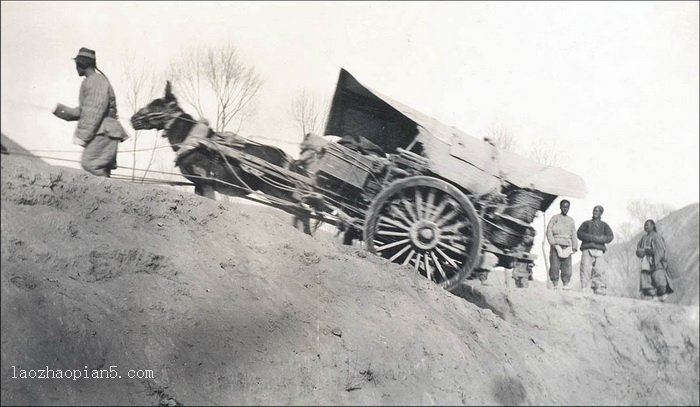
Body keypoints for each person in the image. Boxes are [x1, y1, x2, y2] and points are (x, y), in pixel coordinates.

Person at [53, 47, 128, 177]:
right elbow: (84, 111)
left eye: (77, 64)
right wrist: (60, 110)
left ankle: (104, 195)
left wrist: (83, 137)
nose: (76, 67)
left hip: (105, 132)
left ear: (83, 64)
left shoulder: (95, 81)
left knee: (90, 163)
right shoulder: (95, 81)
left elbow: (94, 111)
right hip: (106, 132)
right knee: (99, 169)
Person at [577, 205, 614, 295]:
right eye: (594, 210)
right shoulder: (586, 223)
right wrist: (590, 238)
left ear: (601, 213)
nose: (595, 212)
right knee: (585, 268)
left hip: (599, 250)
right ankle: (584, 288)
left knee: (599, 269)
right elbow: (579, 233)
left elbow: (610, 236)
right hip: (587, 248)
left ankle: (598, 288)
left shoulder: (604, 225)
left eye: (597, 211)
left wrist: (600, 239)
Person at [636, 219, 674, 302]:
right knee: (645, 283)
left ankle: (661, 296)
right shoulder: (643, 238)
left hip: (656, 262)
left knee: (660, 282)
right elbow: (639, 249)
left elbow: (661, 250)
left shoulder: (657, 236)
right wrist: (640, 252)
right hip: (645, 263)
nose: (646, 226)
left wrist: (654, 260)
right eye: (645, 225)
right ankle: (653, 297)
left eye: (648, 225)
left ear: (653, 226)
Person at [545, 200, 578, 290]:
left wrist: (574, 247)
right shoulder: (555, 218)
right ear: (560, 207)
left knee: (567, 266)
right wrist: (553, 243)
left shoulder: (571, 220)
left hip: (567, 245)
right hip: (556, 245)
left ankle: (566, 283)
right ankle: (555, 283)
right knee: (554, 265)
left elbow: (574, 233)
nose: (565, 209)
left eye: (567, 207)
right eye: (564, 207)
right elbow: (549, 231)